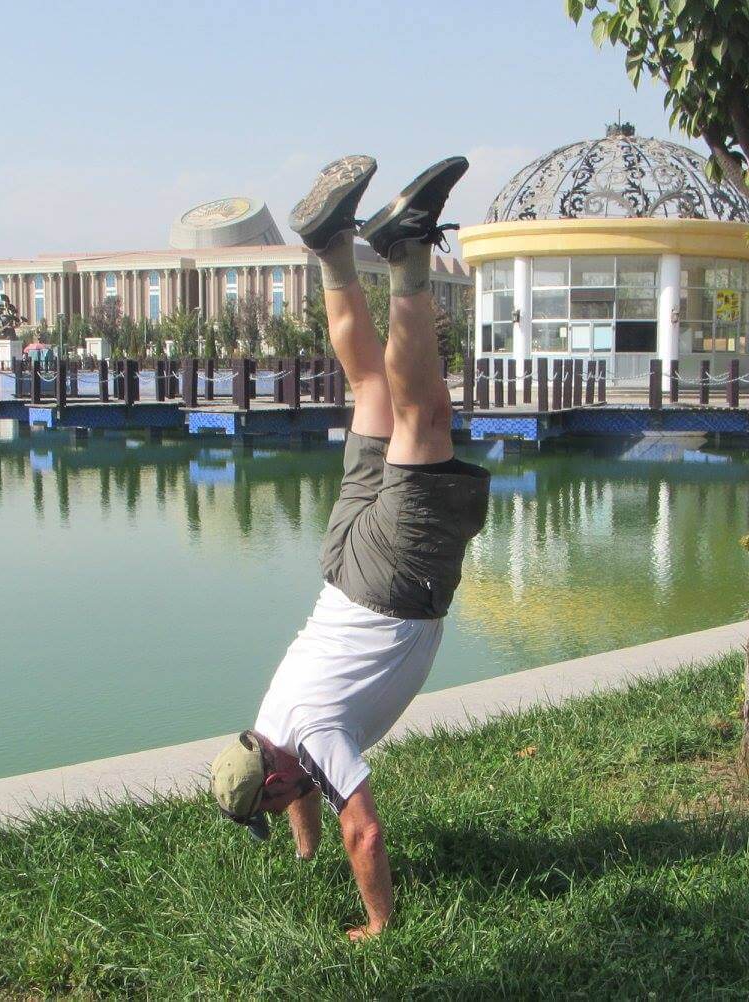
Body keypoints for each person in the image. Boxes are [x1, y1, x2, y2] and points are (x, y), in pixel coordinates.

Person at [209, 155, 489, 941]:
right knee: (368, 388)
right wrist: (304, 851)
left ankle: (406, 255)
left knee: (422, 416)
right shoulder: (271, 723)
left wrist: (376, 925)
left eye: (272, 807)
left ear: (271, 776)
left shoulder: (312, 739)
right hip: (340, 563)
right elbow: (298, 788)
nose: (283, 809)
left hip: (393, 582)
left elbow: (361, 830)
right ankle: (332, 248)